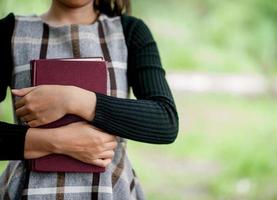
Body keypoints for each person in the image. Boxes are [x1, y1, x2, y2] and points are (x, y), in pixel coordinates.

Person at [0, 0, 179, 199]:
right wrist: (55, 141)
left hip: (111, 191)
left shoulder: (129, 31)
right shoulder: (9, 31)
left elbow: (165, 121)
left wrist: (73, 100)